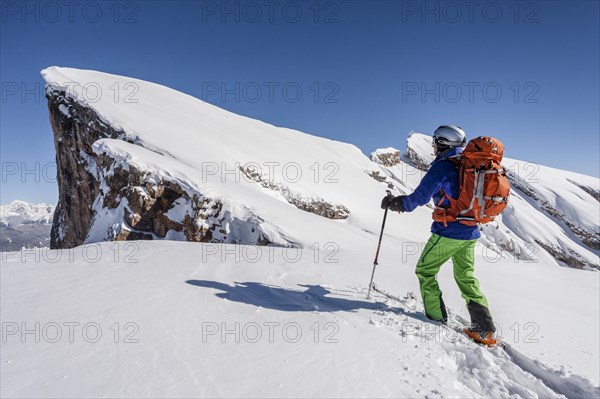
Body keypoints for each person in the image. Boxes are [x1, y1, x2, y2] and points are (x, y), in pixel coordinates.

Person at [381, 125, 496, 346]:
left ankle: (435, 318)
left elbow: (419, 199)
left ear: (443, 143)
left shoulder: (443, 168)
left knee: (425, 271)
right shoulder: (471, 166)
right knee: (466, 277)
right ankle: (485, 330)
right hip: (471, 232)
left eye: (435, 142)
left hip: (447, 232)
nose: (433, 146)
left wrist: (395, 203)